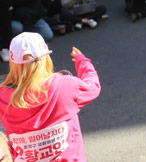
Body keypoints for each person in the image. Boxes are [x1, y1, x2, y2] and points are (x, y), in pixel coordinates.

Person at [0, 32, 101, 160]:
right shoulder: (65, 85)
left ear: (12, 63)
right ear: (45, 58)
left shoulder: (3, 96)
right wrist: (83, 62)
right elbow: (93, 87)